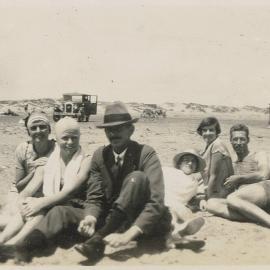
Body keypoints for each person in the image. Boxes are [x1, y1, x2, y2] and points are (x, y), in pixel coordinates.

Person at [74, 101, 171, 262]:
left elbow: (156, 202)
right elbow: (94, 195)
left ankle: (98, 239)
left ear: (131, 130)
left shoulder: (146, 153)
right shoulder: (100, 155)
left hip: (144, 226)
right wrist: (90, 217)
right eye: (109, 129)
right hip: (115, 223)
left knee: (136, 178)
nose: (113, 134)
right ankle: (99, 238)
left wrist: (128, 236)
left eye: (118, 128)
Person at [0, 117, 104, 263]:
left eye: (74, 138)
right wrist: (24, 202)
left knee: (41, 207)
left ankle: (15, 243)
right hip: (53, 211)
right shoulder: (49, 162)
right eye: (65, 138)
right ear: (56, 138)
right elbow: (27, 191)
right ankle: (3, 240)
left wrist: (40, 202)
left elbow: (69, 190)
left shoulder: (85, 160)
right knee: (32, 203)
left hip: (74, 214)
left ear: (80, 137)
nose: (70, 142)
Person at [207, 124, 270, 226]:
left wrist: (239, 178)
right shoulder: (232, 163)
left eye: (242, 139)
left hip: (265, 190)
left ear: (248, 140)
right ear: (231, 141)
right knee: (211, 204)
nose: (238, 143)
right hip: (247, 202)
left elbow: (264, 174)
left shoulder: (258, 154)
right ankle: (258, 216)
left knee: (232, 199)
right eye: (235, 139)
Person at [0, 112, 55, 229]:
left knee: (27, 217)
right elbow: (18, 185)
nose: (38, 131)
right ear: (28, 132)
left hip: (46, 192)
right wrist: (33, 171)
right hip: (21, 191)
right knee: (11, 215)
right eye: (34, 128)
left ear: (49, 130)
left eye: (43, 127)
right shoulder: (23, 149)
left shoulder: (57, 148)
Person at [162, 149, 206, 248]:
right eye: (186, 160)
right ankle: (175, 236)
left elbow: (200, 193)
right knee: (171, 212)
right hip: (164, 201)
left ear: (196, 167)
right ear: (179, 163)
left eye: (193, 161)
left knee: (185, 214)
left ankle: (176, 235)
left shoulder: (195, 181)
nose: (190, 163)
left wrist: (202, 200)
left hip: (179, 206)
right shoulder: (168, 171)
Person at [197, 117, 234, 199]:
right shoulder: (209, 145)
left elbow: (214, 176)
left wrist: (208, 198)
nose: (207, 133)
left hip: (220, 189)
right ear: (201, 132)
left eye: (211, 130)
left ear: (217, 132)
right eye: (204, 130)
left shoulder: (217, 145)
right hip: (212, 186)